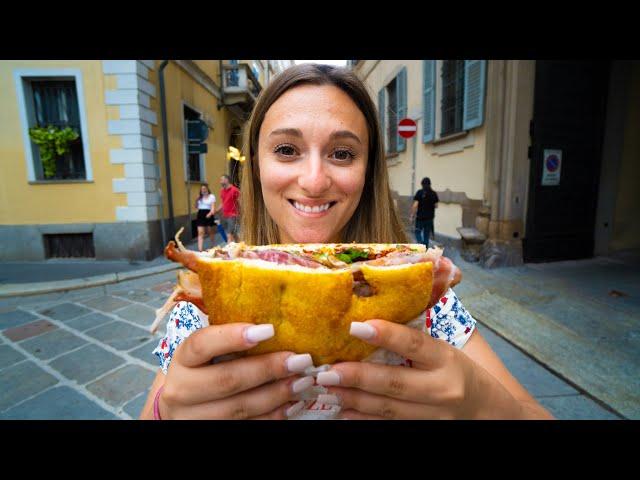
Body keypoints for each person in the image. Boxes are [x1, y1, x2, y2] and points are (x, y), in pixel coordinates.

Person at [140, 64, 553, 420]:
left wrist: (481, 404)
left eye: (342, 154)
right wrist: (166, 412)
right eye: (286, 149)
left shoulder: (428, 301)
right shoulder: (201, 309)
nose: (315, 181)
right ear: (257, 165)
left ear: (368, 172)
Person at [410, 177, 439, 247]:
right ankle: (424, 248)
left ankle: (421, 245)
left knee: (417, 232)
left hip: (420, 218)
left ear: (422, 184)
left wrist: (412, 216)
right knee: (426, 234)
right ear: (430, 184)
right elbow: (436, 205)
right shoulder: (434, 193)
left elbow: (415, 205)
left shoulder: (419, 192)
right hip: (429, 218)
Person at [215, 174, 241, 242]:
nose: (220, 182)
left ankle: (229, 251)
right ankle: (241, 246)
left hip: (233, 215)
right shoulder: (222, 191)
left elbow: (241, 201)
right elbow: (223, 202)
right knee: (234, 234)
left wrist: (240, 213)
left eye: (222, 180)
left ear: (227, 180)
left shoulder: (235, 190)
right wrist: (216, 210)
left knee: (229, 234)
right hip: (225, 215)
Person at [194, 183, 216, 252]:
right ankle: (200, 249)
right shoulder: (200, 198)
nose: (203, 190)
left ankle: (212, 245)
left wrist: (209, 214)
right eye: (202, 189)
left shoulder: (211, 196)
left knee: (210, 231)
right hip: (200, 214)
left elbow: (213, 208)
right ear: (200, 191)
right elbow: (196, 207)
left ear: (207, 189)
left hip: (209, 214)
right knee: (200, 232)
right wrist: (196, 200)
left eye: (204, 189)